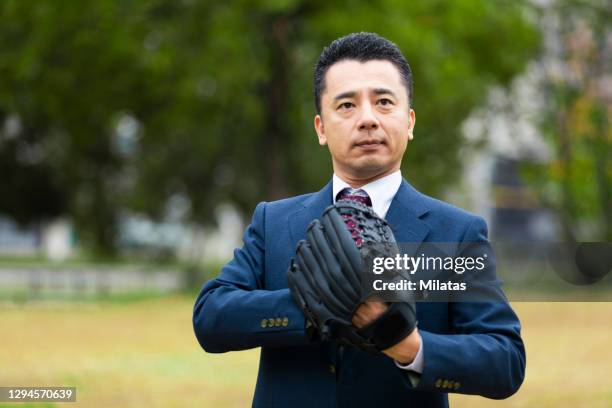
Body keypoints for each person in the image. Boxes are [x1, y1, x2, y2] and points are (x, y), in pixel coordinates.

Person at [193, 32, 525, 407]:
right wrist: (316, 308)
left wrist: (409, 346)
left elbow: (505, 360)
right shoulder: (274, 221)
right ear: (321, 128)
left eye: (384, 102)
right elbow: (211, 317)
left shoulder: (457, 232)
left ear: (410, 121)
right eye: (347, 105)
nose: (367, 119)